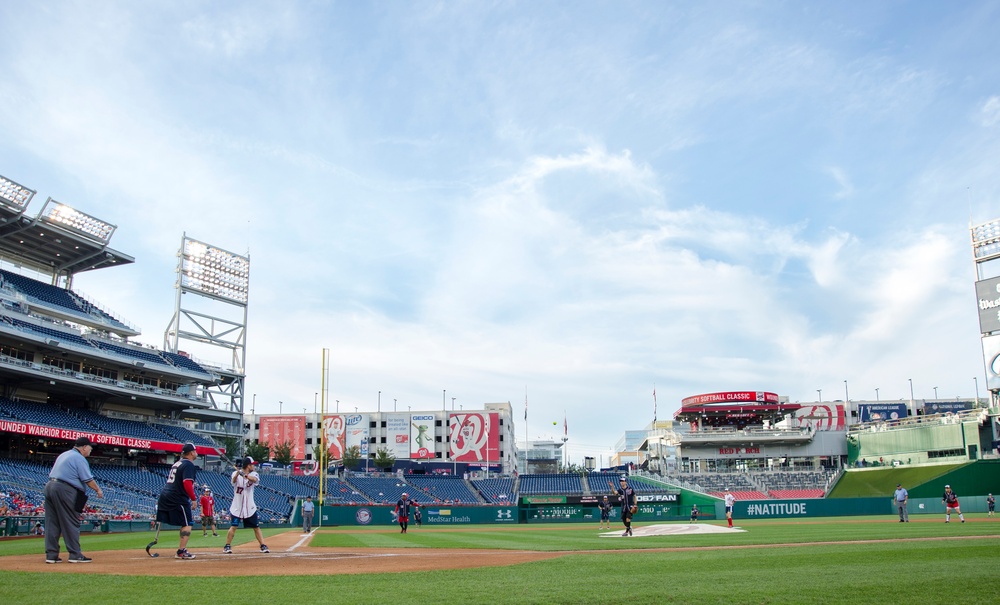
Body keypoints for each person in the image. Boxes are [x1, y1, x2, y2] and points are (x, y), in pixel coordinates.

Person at [44, 436, 104, 564]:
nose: (90, 451)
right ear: (84, 447)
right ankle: (75, 554)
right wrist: (98, 490)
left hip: (50, 486)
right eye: (90, 449)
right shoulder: (79, 458)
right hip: (64, 489)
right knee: (71, 521)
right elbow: (88, 479)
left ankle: (51, 555)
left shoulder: (64, 454)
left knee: (52, 522)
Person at [156, 443, 200, 559]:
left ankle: (181, 550)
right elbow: (187, 483)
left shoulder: (177, 463)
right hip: (177, 497)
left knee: (184, 522)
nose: (196, 453)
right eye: (195, 451)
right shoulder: (188, 465)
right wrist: (193, 499)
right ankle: (181, 551)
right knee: (188, 523)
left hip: (166, 495)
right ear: (191, 453)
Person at [224, 457, 269, 554]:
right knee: (234, 526)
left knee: (256, 527)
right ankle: (227, 546)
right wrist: (237, 474)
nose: (254, 466)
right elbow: (233, 481)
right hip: (237, 506)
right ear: (248, 465)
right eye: (252, 464)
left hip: (249, 507)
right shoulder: (235, 473)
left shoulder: (254, 474)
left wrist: (245, 475)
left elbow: (255, 480)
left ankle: (263, 545)